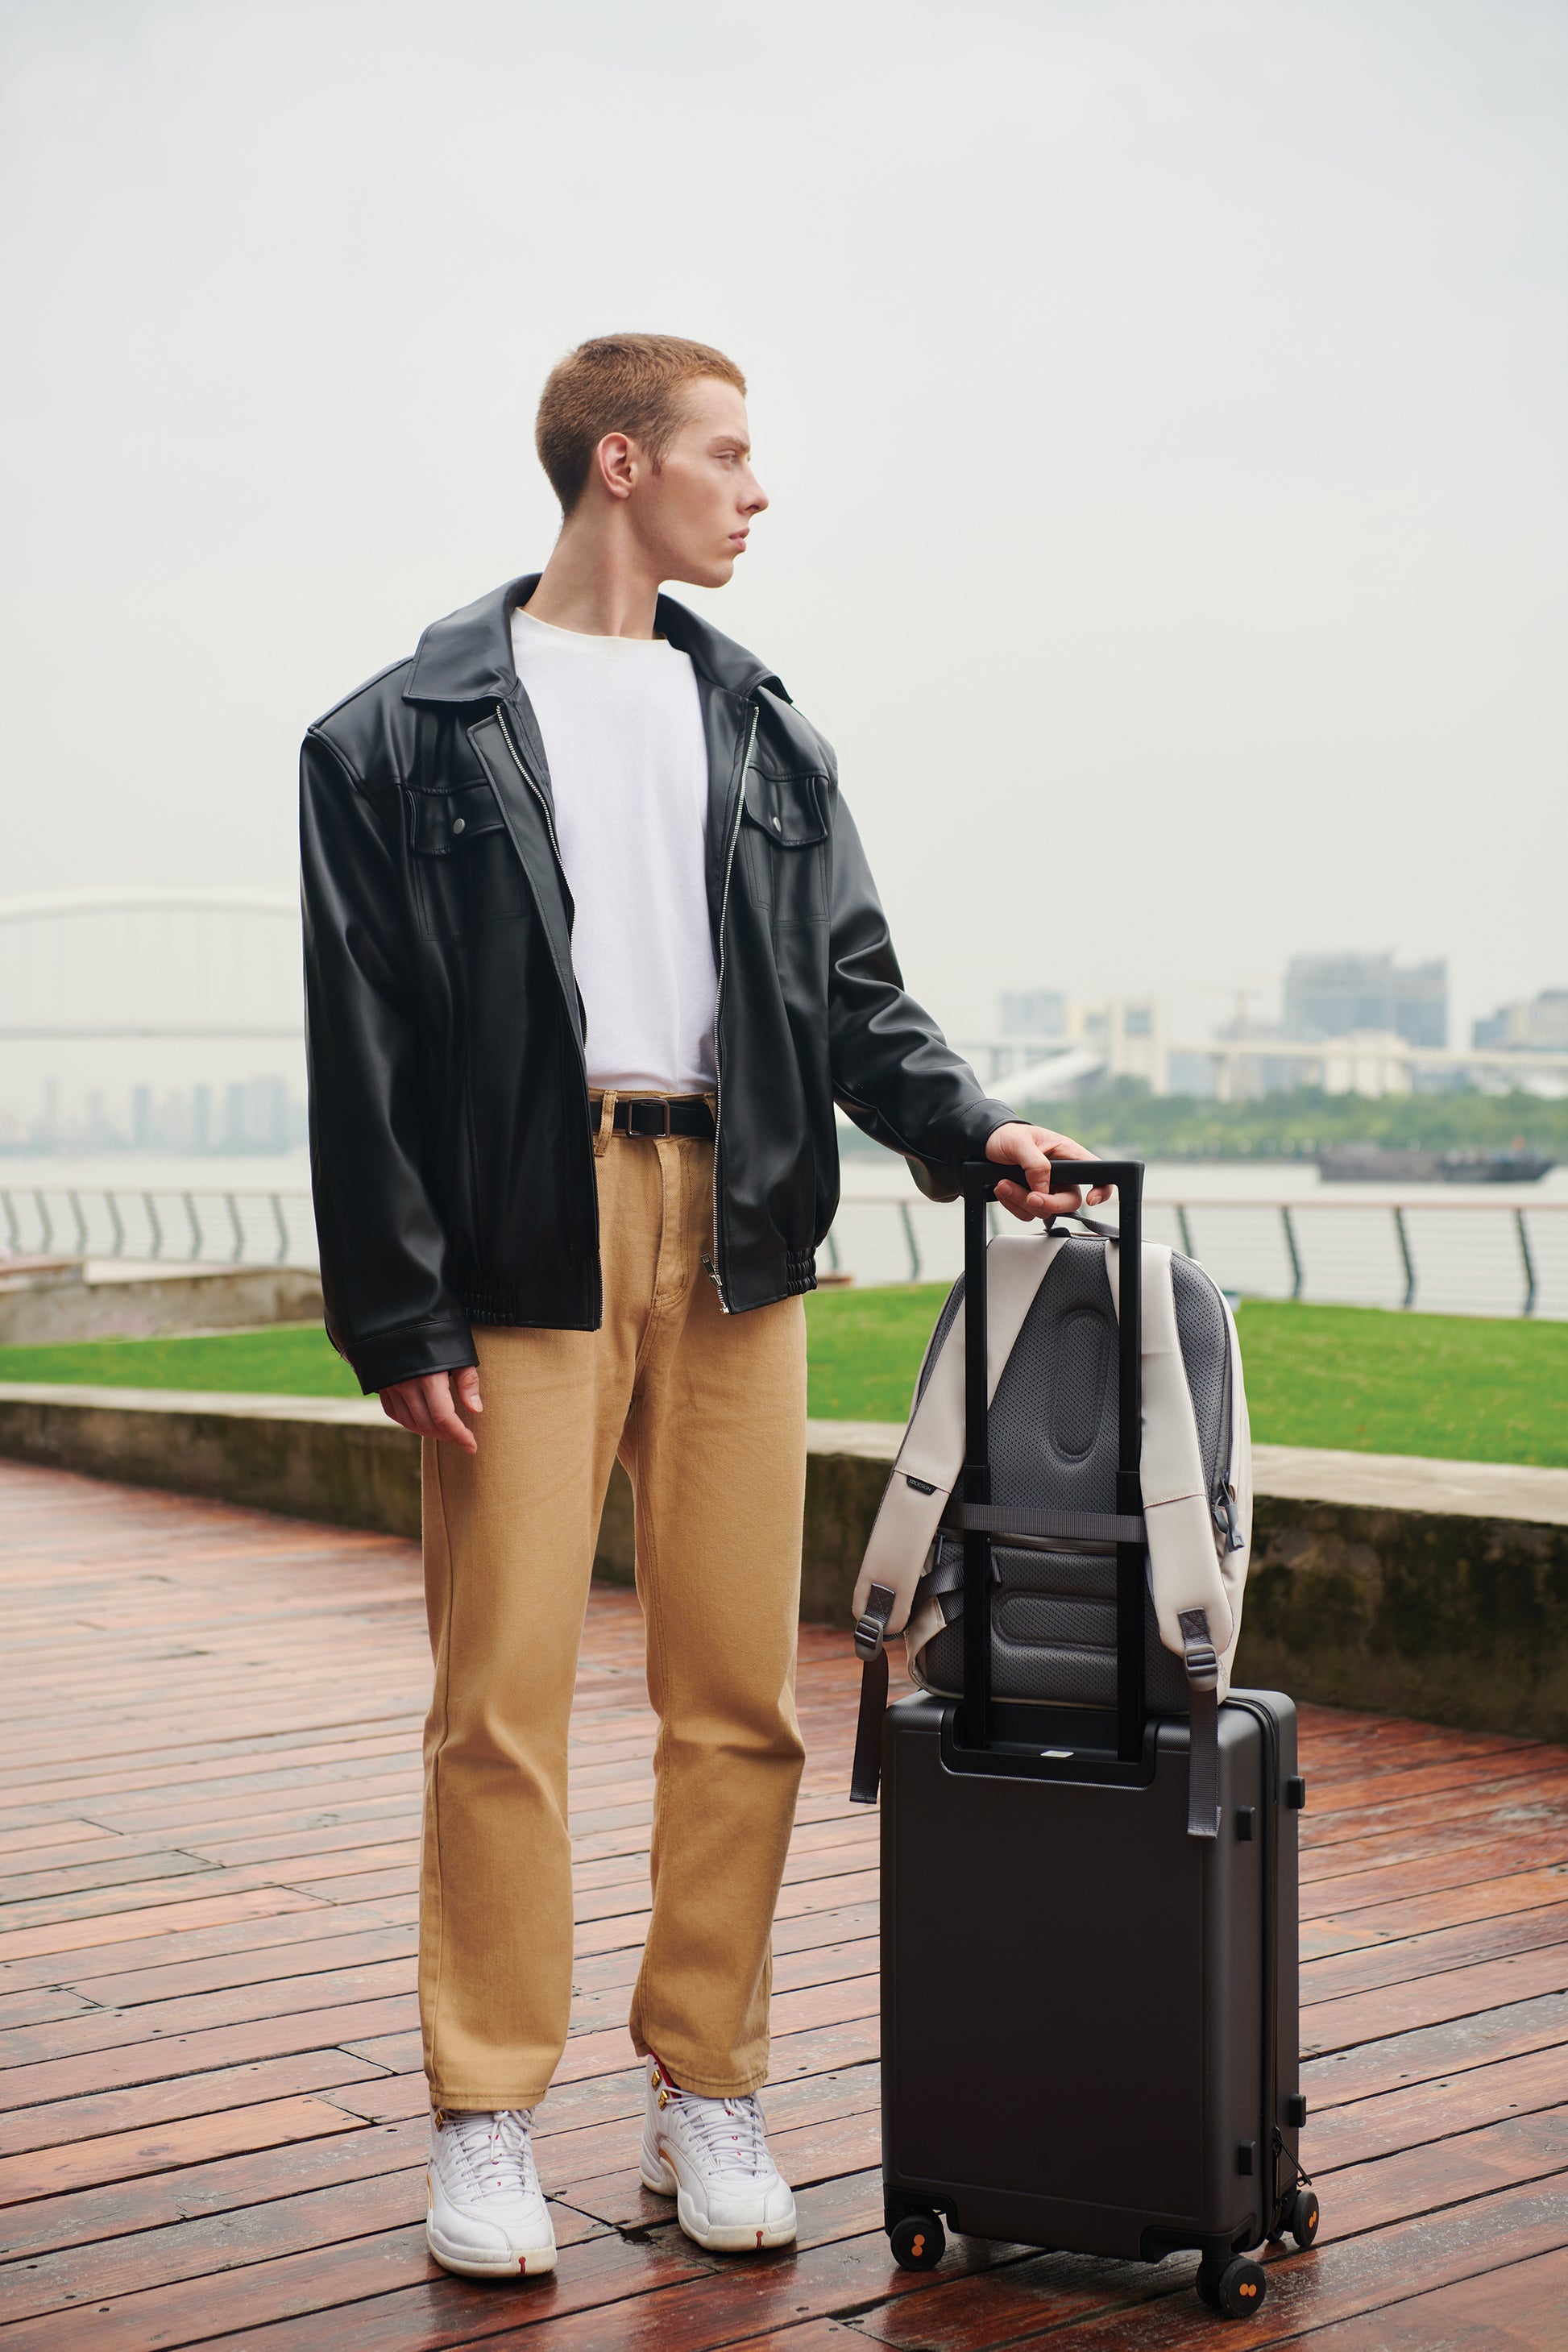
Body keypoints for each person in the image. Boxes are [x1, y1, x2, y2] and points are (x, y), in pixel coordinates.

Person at [300, 333, 1105, 2282]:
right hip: (520, 1236)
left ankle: (705, 2084)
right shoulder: (394, 733)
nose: (758, 491)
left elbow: (848, 990)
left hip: (743, 1223)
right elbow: (365, 1046)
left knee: (735, 1694)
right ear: (616, 461)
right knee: (497, 1698)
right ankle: (486, 2112)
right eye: (729, 454)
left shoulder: (762, 727)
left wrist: (970, 1123)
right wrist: (399, 1309)